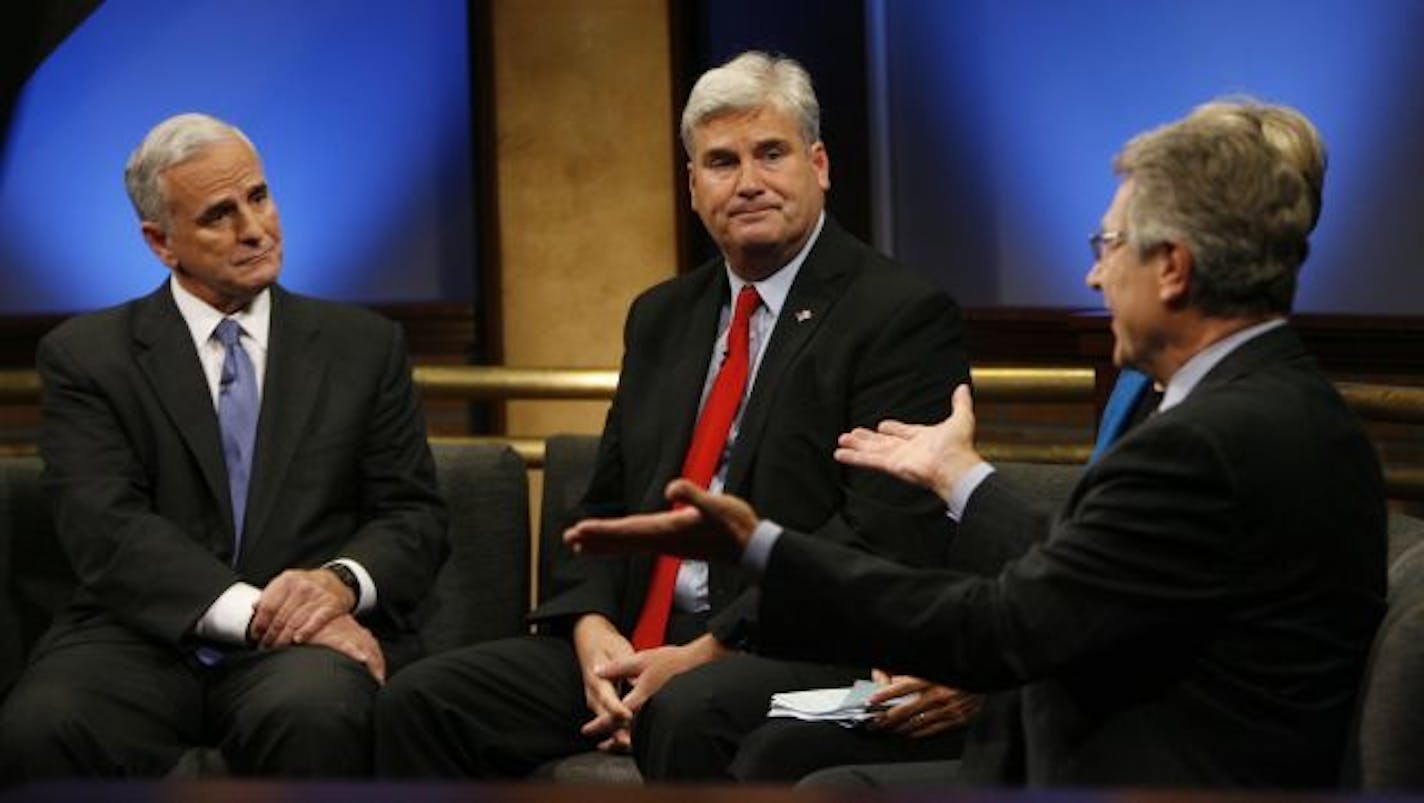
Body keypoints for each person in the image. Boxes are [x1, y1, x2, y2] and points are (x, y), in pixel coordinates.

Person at [565, 98, 1387, 788]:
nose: (1094, 278)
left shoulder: (1206, 440)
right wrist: (961, 476)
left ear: (1171, 267)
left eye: (1107, 247)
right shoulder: (1288, 403)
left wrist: (761, 543)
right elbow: (1089, 575)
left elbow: (1004, 624)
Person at [375, 51, 971, 781]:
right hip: (639, 634)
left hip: (785, 642)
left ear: (819, 165)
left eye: (771, 154)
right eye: (721, 162)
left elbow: (876, 538)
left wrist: (706, 650)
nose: (748, 182)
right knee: (424, 701)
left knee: (688, 707)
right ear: (693, 187)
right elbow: (602, 501)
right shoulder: (661, 315)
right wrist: (592, 630)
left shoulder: (898, 315)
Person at [0, 113, 448, 779]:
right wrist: (262, 613)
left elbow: (413, 516)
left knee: (317, 711)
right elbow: (108, 529)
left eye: (259, 197)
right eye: (218, 214)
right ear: (160, 241)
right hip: (141, 633)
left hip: (306, 650)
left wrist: (338, 583)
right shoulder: (87, 357)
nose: (254, 229)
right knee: (43, 723)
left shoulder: (364, 346)